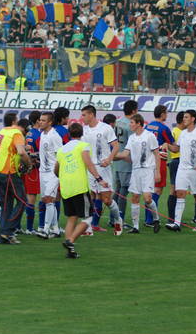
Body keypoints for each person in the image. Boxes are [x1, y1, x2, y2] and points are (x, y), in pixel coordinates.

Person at [55, 122, 109, 259]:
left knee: (71, 218)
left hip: (66, 187)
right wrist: (99, 179)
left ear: (69, 134)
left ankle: (70, 251)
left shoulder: (62, 149)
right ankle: (70, 241)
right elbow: (88, 163)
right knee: (88, 217)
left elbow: (56, 169)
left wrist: (64, 177)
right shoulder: (83, 146)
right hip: (79, 187)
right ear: (81, 134)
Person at [0, 112, 32, 244]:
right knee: (23, 200)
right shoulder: (16, 133)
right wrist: (28, 164)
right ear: (14, 121)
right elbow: (21, 152)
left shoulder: (3, 131)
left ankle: (3, 236)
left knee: (6, 204)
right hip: (7, 171)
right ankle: (7, 230)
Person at [114, 114, 162, 233]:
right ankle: (136, 227)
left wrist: (157, 172)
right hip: (136, 170)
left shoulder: (149, 136)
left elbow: (157, 154)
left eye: (132, 123)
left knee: (147, 198)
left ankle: (156, 219)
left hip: (147, 170)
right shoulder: (132, 138)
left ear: (139, 124)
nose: (129, 125)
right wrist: (111, 157)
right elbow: (125, 154)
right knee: (135, 197)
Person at [167, 109, 196, 232]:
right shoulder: (183, 133)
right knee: (180, 193)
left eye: (186, 117)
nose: (184, 119)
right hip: (182, 169)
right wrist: (167, 145)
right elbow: (176, 149)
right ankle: (177, 223)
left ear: (193, 119)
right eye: (184, 117)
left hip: (195, 170)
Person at [81, 104, 122, 235]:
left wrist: (109, 159)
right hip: (90, 168)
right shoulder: (83, 130)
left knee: (106, 200)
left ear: (91, 114)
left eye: (84, 115)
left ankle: (117, 219)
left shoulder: (105, 128)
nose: (82, 118)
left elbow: (116, 146)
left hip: (103, 168)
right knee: (90, 198)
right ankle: (88, 228)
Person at [144, 105, 175, 228]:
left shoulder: (148, 126)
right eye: (166, 113)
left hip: (148, 161)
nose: (166, 115)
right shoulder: (164, 128)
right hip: (159, 161)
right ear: (162, 114)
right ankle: (150, 219)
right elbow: (172, 145)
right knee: (157, 190)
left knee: (149, 190)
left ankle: (148, 218)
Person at [37, 111, 65, 238]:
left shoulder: (55, 136)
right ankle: (55, 229)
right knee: (46, 200)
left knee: (49, 199)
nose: (40, 122)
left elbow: (60, 156)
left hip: (53, 173)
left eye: (43, 120)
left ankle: (46, 229)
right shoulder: (42, 134)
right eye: (40, 120)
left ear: (50, 122)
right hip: (42, 172)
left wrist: (57, 174)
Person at [113, 100, 137, 225]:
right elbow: (132, 144)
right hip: (126, 160)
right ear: (133, 111)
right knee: (124, 189)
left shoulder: (118, 122)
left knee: (117, 189)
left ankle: (113, 218)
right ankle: (119, 218)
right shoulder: (130, 125)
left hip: (116, 159)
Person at [166, 111, 185, 228]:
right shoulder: (175, 132)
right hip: (176, 161)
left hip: (181, 162)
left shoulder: (181, 132)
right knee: (174, 190)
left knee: (179, 191)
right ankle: (172, 218)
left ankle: (175, 218)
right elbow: (173, 148)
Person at [24, 111, 42, 234]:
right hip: (34, 169)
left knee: (28, 197)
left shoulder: (28, 133)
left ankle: (27, 227)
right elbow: (40, 153)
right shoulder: (37, 135)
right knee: (31, 198)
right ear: (37, 121)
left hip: (27, 167)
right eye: (41, 119)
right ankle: (29, 228)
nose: (42, 121)